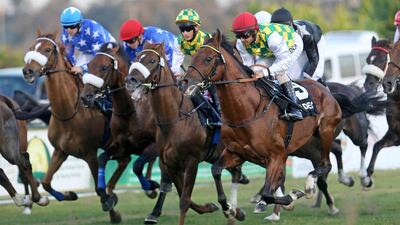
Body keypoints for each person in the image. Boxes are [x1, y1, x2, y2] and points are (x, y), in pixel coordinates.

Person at [232, 12, 303, 121]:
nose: (241, 39)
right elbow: (249, 66)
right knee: (256, 70)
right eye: (238, 35)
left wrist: (265, 73)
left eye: (245, 35)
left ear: (254, 31)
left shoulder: (272, 38)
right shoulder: (240, 43)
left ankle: (295, 109)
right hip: (270, 51)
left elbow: (284, 62)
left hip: (292, 43)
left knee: (279, 71)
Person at [175, 8, 221, 126]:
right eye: (182, 29)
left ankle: (219, 113)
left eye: (188, 29)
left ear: (196, 27)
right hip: (197, 70)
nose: (184, 33)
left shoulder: (206, 39)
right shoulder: (179, 40)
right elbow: (176, 62)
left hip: (211, 72)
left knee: (211, 88)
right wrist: (177, 74)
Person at [271, 7, 326, 84]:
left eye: (284, 28)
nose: (281, 32)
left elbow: (314, 60)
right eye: (277, 29)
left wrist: (307, 78)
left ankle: (324, 89)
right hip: (299, 43)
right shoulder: (272, 34)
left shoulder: (306, 35)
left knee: (312, 77)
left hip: (315, 41)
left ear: (290, 24)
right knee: (292, 76)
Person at [60, 6, 116, 74]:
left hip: (107, 50)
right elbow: (68, 54)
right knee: (76, 71)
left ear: (80, 23)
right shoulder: (65, 33)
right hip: (88, 52)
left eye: (72, 26)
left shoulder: (94, 30)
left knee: (97, 71)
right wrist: (72, 66)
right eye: (65, 26)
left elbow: (99, 58)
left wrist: (83, 68)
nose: (68, 30)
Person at [119, 19, 183, 75]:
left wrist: (173, 71)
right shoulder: (127, 45)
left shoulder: (156, 39)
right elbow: (134, 65)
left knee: (172, 74)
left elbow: (170, 55)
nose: (128, 44)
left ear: (139, 36)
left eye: (130, 41)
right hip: (154, 51)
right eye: (125, 41)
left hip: (173, 49)